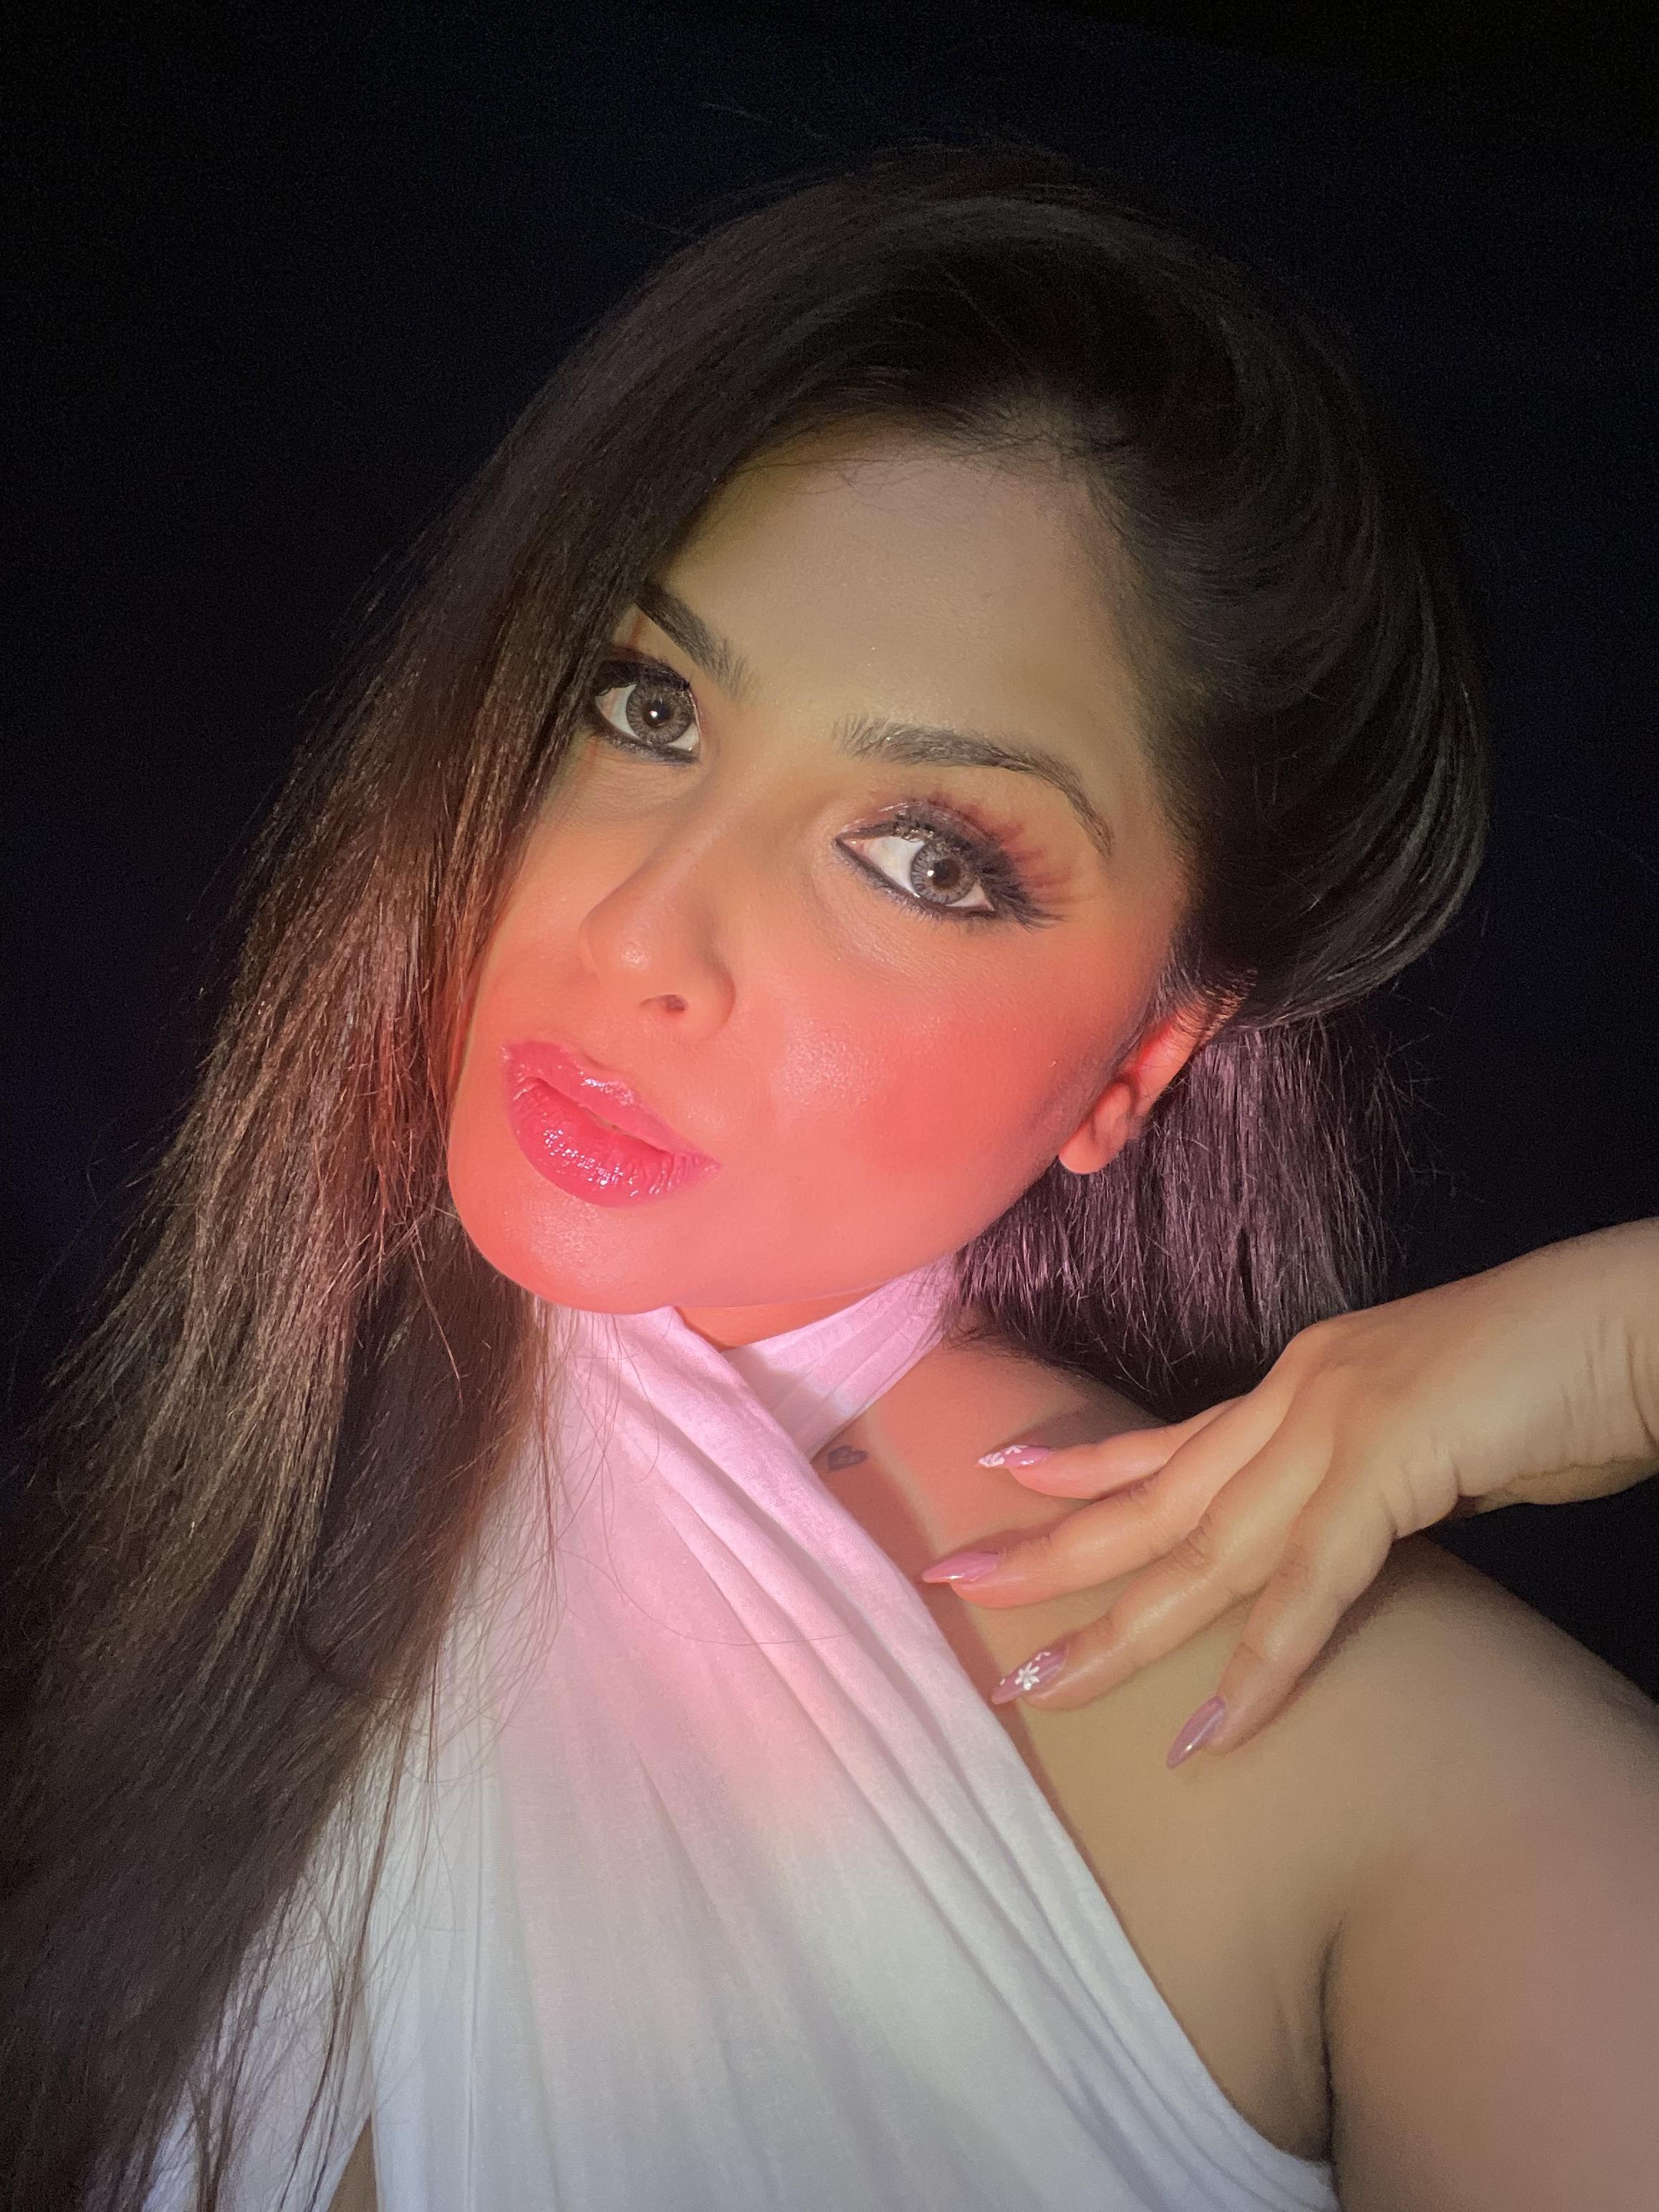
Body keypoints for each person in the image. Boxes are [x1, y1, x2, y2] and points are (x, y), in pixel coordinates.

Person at [4, 142, 1655, 2212]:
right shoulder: (248, 1456)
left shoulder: (1375, 1781)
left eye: (924, 856)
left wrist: (1622, 1345)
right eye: (645, 704)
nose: (642, 934)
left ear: (1139, 1064)